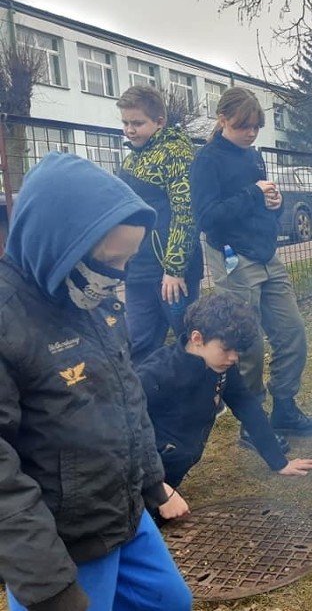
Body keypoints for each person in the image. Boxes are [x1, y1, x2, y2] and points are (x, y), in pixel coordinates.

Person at [0, 152, 191, 611]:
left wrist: (152, 483)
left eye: (129, 260)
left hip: (123, 511)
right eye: (112, 259)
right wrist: (49, 587)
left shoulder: (98, 305)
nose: (120, 276)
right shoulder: (9, 322)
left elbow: (127, 398)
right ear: (59, 244)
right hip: (64, 539)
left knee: (170, 602)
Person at [190, 86, 312, 454]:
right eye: (243, 126)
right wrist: (253, 193)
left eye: (255, 126)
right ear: (222, 120)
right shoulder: (207, 160)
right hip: (233, 258)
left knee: (292, 332)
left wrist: (275, 203)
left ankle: (284, 408)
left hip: (267, 255)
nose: (250, 133)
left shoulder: (253, 156)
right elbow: (207, 218)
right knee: (247, 345)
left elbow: (262, 206)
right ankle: (253, 423)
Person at [136, 292, 312, 519]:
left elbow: (247, 406)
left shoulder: (220, 366)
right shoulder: (156, 374)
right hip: (135, 481)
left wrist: (279, 462)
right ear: (197, 338)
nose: (234, 358)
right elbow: (123, 432)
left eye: (238, 351)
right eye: (227, 349)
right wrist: (156, 488)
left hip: (172, 473)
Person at [116, 85, 203, 363]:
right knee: (139, 342)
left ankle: (208, 399)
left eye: (137, 123)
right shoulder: (131, 160)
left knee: (189, 339)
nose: (130, 129)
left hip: (170, 273)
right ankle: (145, 404)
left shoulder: (176, 153)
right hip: (137, 269)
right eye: (126, 123)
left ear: (160, 122)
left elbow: (185, 212)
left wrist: (174, 269)